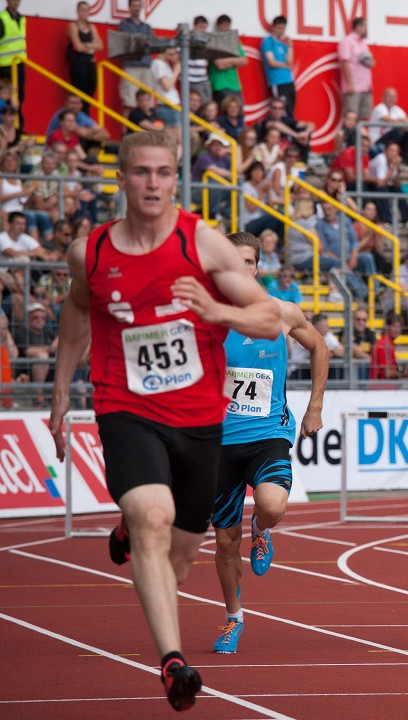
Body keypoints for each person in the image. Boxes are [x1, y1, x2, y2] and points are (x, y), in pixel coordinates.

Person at [46, 130, 279, 711]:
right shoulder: (91, 252)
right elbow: (76, 316)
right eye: (141, 172)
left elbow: (270, 319)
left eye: (163, 172)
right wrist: (59, 395)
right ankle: (174, 662)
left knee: (181, 553)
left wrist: (215, 308)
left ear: (176, 178)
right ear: (121, 178)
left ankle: (127, 533)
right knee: (154, 514)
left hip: (200, 417)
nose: (152, 182)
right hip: (126, 406)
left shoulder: (202, 245)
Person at [210, 231, 328, 654]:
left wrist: (314, 408)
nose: (240, 270)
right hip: (219, 444)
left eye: (247, 262)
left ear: (257, 267)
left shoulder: (280, 313)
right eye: (231, 262)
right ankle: (233, 618)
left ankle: (261, 528)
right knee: (225, 542)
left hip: (268, 435)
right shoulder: (209, 316)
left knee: (273, 504)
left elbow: (319, 349)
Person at [67, 1, 103, 105]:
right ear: (77, 11)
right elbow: (78, 47)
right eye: (82, 10)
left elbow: (100, 46)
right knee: (78, 97)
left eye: (87, 10)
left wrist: (87, 45)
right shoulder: (73, 26)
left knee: (89, 97)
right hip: (78, 65)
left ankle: (85, 118)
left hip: (90, 64)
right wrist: (92, 46)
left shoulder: (92, 27)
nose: (85, 13)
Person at [338, 17, 374, 120]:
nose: (366, 29)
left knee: (364, 117)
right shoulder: (347, 41)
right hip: (354, 87)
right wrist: (349, 83)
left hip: (366, 87)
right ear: (359, 27)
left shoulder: (363, 43)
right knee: (350, 117)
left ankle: (360, 136)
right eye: (365, 27)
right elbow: (344, 62)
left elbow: (370, 62)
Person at [261, 16, 296, 117]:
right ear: (273, 27)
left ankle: (290, 132)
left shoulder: (283, 45)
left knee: (290, 111)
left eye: (283, 28)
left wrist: (290, 46)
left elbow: (290, 63)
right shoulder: (268, 41)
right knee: (281, 111)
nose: (281, 30)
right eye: (279, 28)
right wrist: (285, 65)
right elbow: (271, 62)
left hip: (289, 81)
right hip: (277, 82)